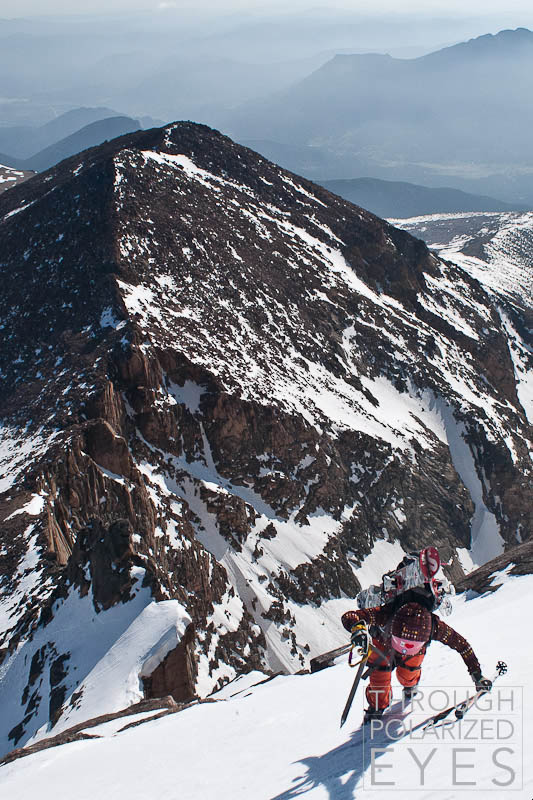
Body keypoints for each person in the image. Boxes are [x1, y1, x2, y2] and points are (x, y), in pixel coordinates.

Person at [341, 601, 492, 722]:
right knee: (383, 680)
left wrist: (357, 627)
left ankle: (407, 686)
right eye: (402, 643)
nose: (404, 648)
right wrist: (476, 674)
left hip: (383, 645)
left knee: (406, 675)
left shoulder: (429, 625)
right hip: (383, 645)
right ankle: (379, 703)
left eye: (410, 645)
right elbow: (462, 646)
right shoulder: (430, 626)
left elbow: (351, 616)